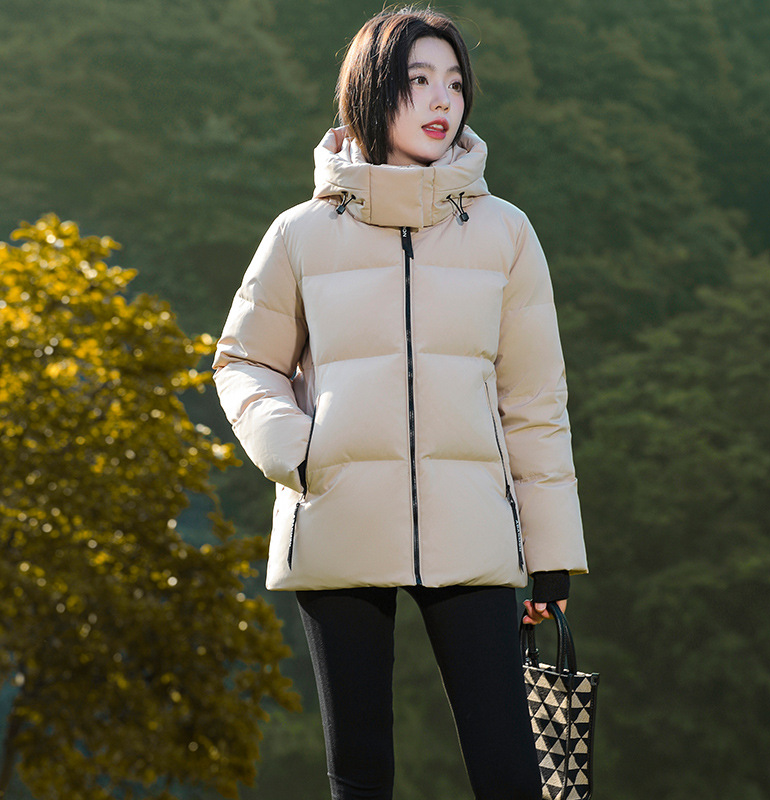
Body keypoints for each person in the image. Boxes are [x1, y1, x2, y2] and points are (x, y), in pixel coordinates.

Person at [212, 7, 588, 799]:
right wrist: (299, 453)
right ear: (371, 92)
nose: (442, 99)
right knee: (361, 773)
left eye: (454, 82)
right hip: (338, 514)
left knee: (509, 771)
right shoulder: (300, 234)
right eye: (419, 80)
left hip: (473, 527)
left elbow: (534, 401)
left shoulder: (506, 234)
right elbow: (244, 362)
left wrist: (550, 556)